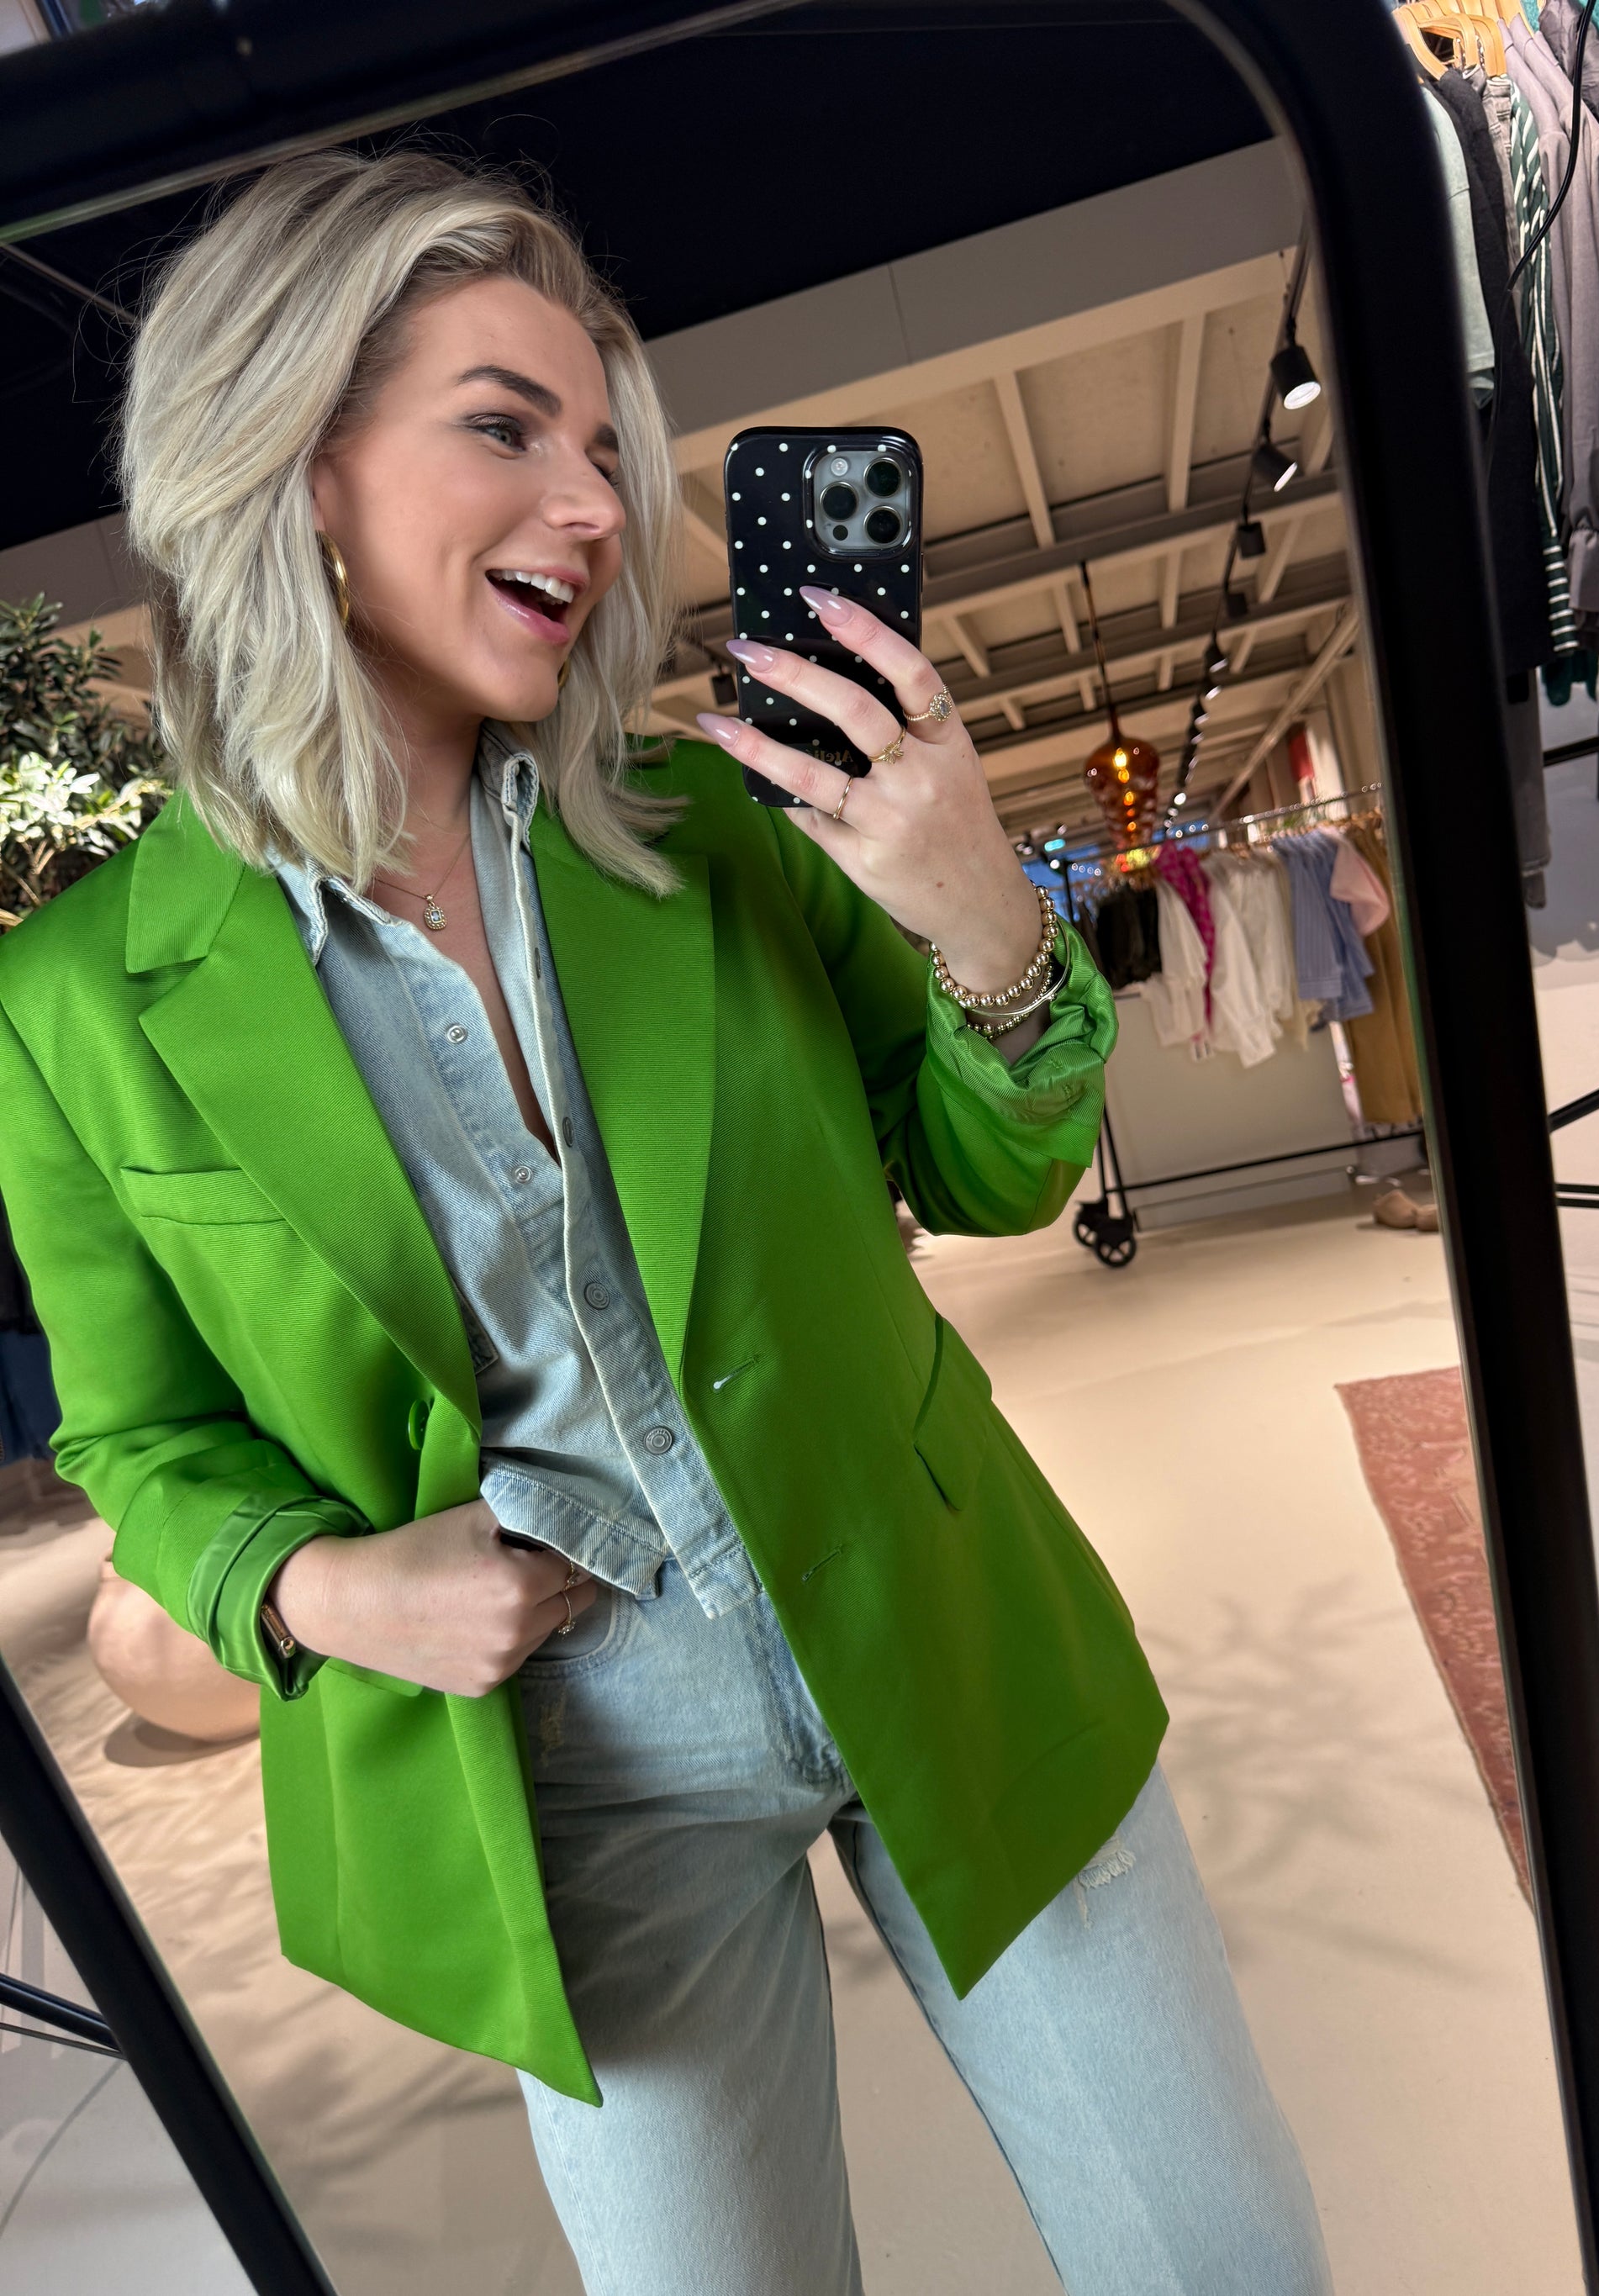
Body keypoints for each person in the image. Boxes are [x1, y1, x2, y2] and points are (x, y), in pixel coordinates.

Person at [0, 150, 1332, 2296]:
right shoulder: (76, 1001)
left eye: (606, 449)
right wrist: (326, 1589)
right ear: (299, 458)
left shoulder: (719, 823)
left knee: (1227, 2262)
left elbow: (992, 1174)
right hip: (567, 1762)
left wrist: (986, 918)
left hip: (933, 1612)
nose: (599, 503)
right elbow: (137, 1438)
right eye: (506, 427)